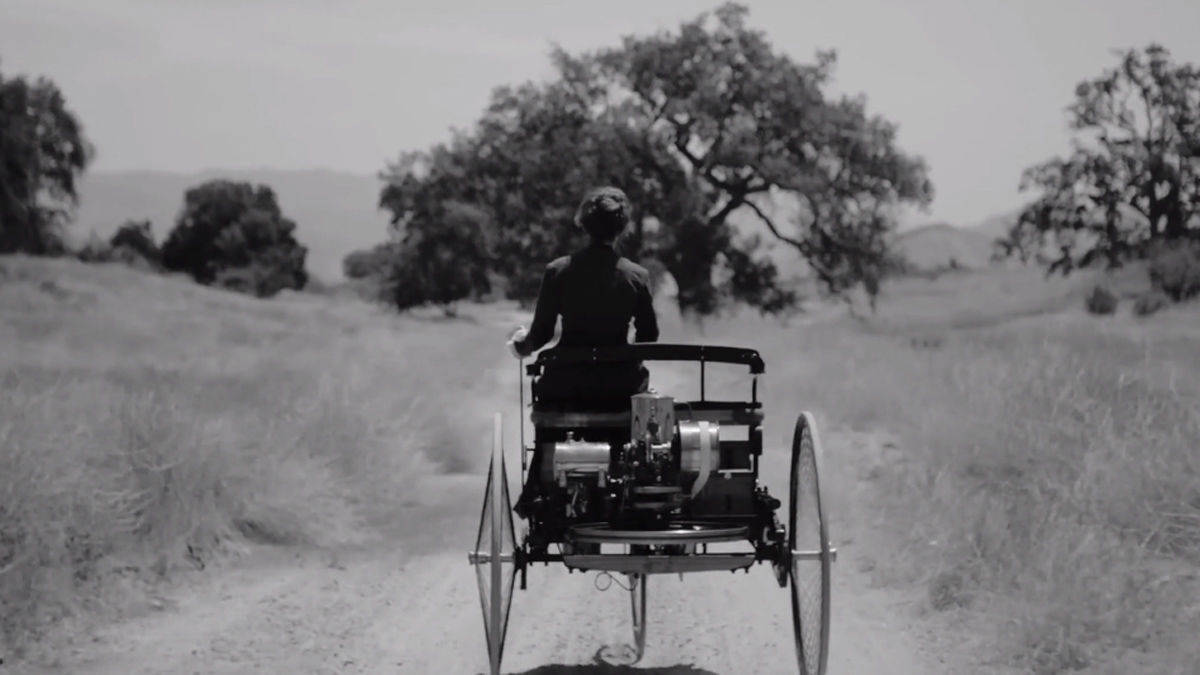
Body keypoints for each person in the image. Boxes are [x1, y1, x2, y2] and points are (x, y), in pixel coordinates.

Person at [506, 186, 659, 409]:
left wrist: (521, 344)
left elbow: (542, 334)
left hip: (564, 385)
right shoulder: (637, 276)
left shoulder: (557, 271)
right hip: (620, 387)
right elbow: (649, 336)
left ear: (584, 224)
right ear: (622, 227)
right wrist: (625, 358)